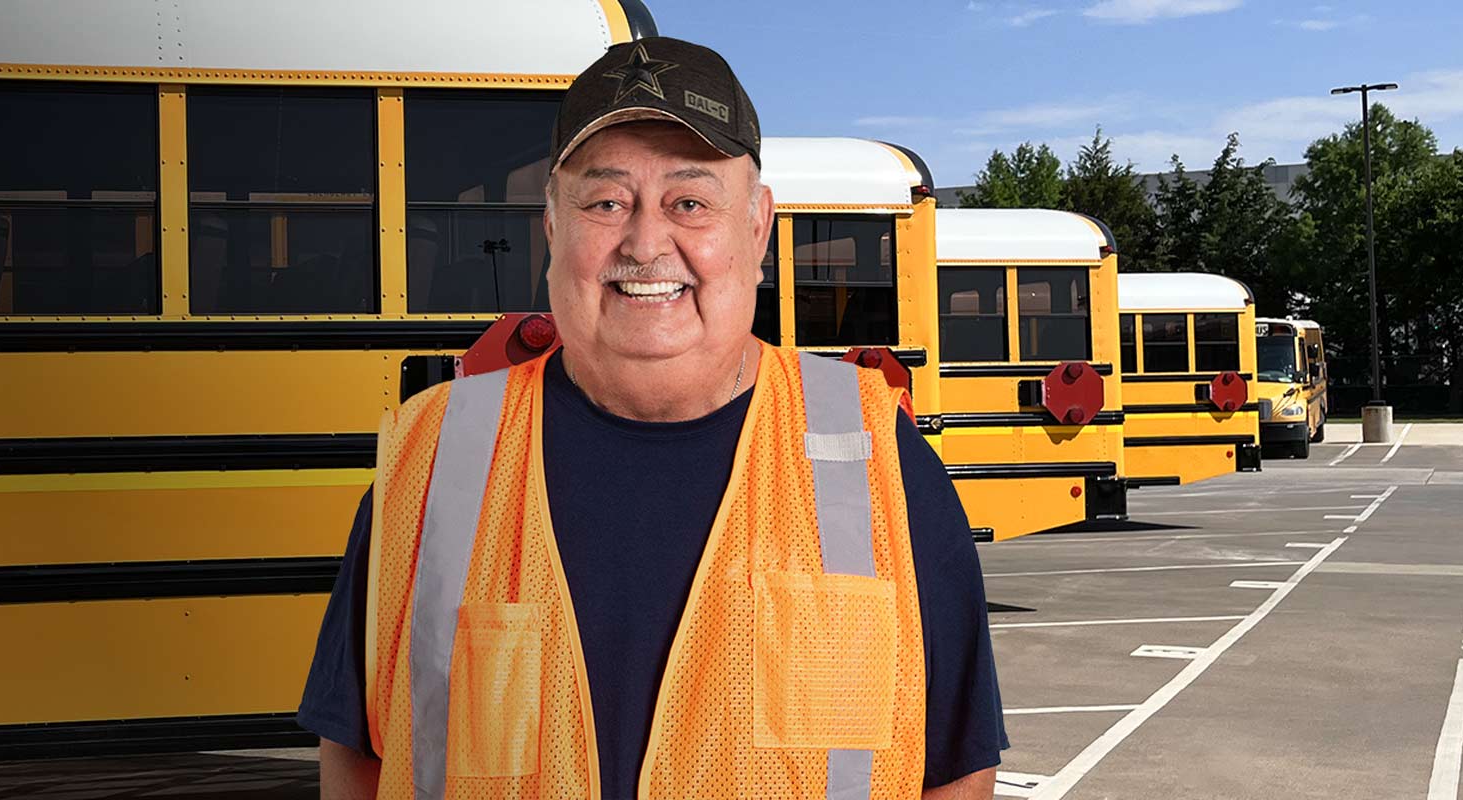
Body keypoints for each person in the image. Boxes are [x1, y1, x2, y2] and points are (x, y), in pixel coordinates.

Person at [295, 37, 1006, 799]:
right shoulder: (436, 456)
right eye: (605, 202)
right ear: (550, 229)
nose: (643, 242)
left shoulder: (875, 455)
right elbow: (362, 751)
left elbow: (955, 767)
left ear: (756, 227)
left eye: (689, 202)